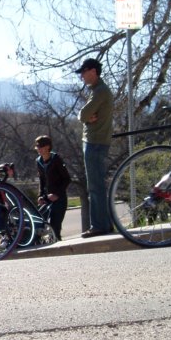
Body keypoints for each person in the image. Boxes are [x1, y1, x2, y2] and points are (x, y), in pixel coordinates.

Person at [76, 58, 114, 238]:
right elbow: (85, 115)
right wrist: (85, 116)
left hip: (95, 143)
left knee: (95, 186)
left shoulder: (100, 91)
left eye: (83, 72)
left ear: (92, 71)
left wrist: (84, 117)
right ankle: (105, 224)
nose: (82, 77)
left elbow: (83, 114)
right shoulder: (98, 91)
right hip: (96, 142)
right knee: (97, 185)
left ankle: (99, 226)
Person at [35, 135, 72, 241]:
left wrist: (57, 194)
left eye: (41, 146)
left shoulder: (56, 159)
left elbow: (67, 179)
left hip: (59, 199)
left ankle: (57, 245)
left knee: (55, 227)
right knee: (39, 222)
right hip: (47, 198)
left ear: (48, 147)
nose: (39, 149)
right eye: (38, 147)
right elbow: (42, 180)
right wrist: (41, 196)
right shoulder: (38, 161)